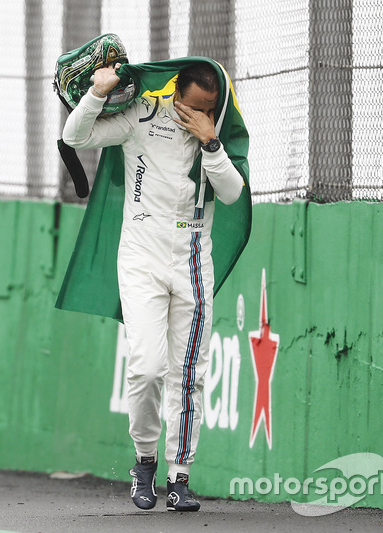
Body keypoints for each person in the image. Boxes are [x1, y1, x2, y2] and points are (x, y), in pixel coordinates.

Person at [61, 60, 247, 512]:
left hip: (192, 260)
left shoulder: (219, 132)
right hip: (142, 256)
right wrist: (97, 93)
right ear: (174, 92)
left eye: (211, 108)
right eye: (194, 106)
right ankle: (144, 461)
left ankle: (179, 477)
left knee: (189, 375)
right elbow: (75, 137)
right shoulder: (142, 114)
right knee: (146, 367)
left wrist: (211, 140)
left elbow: (232, 192)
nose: (200, 114)